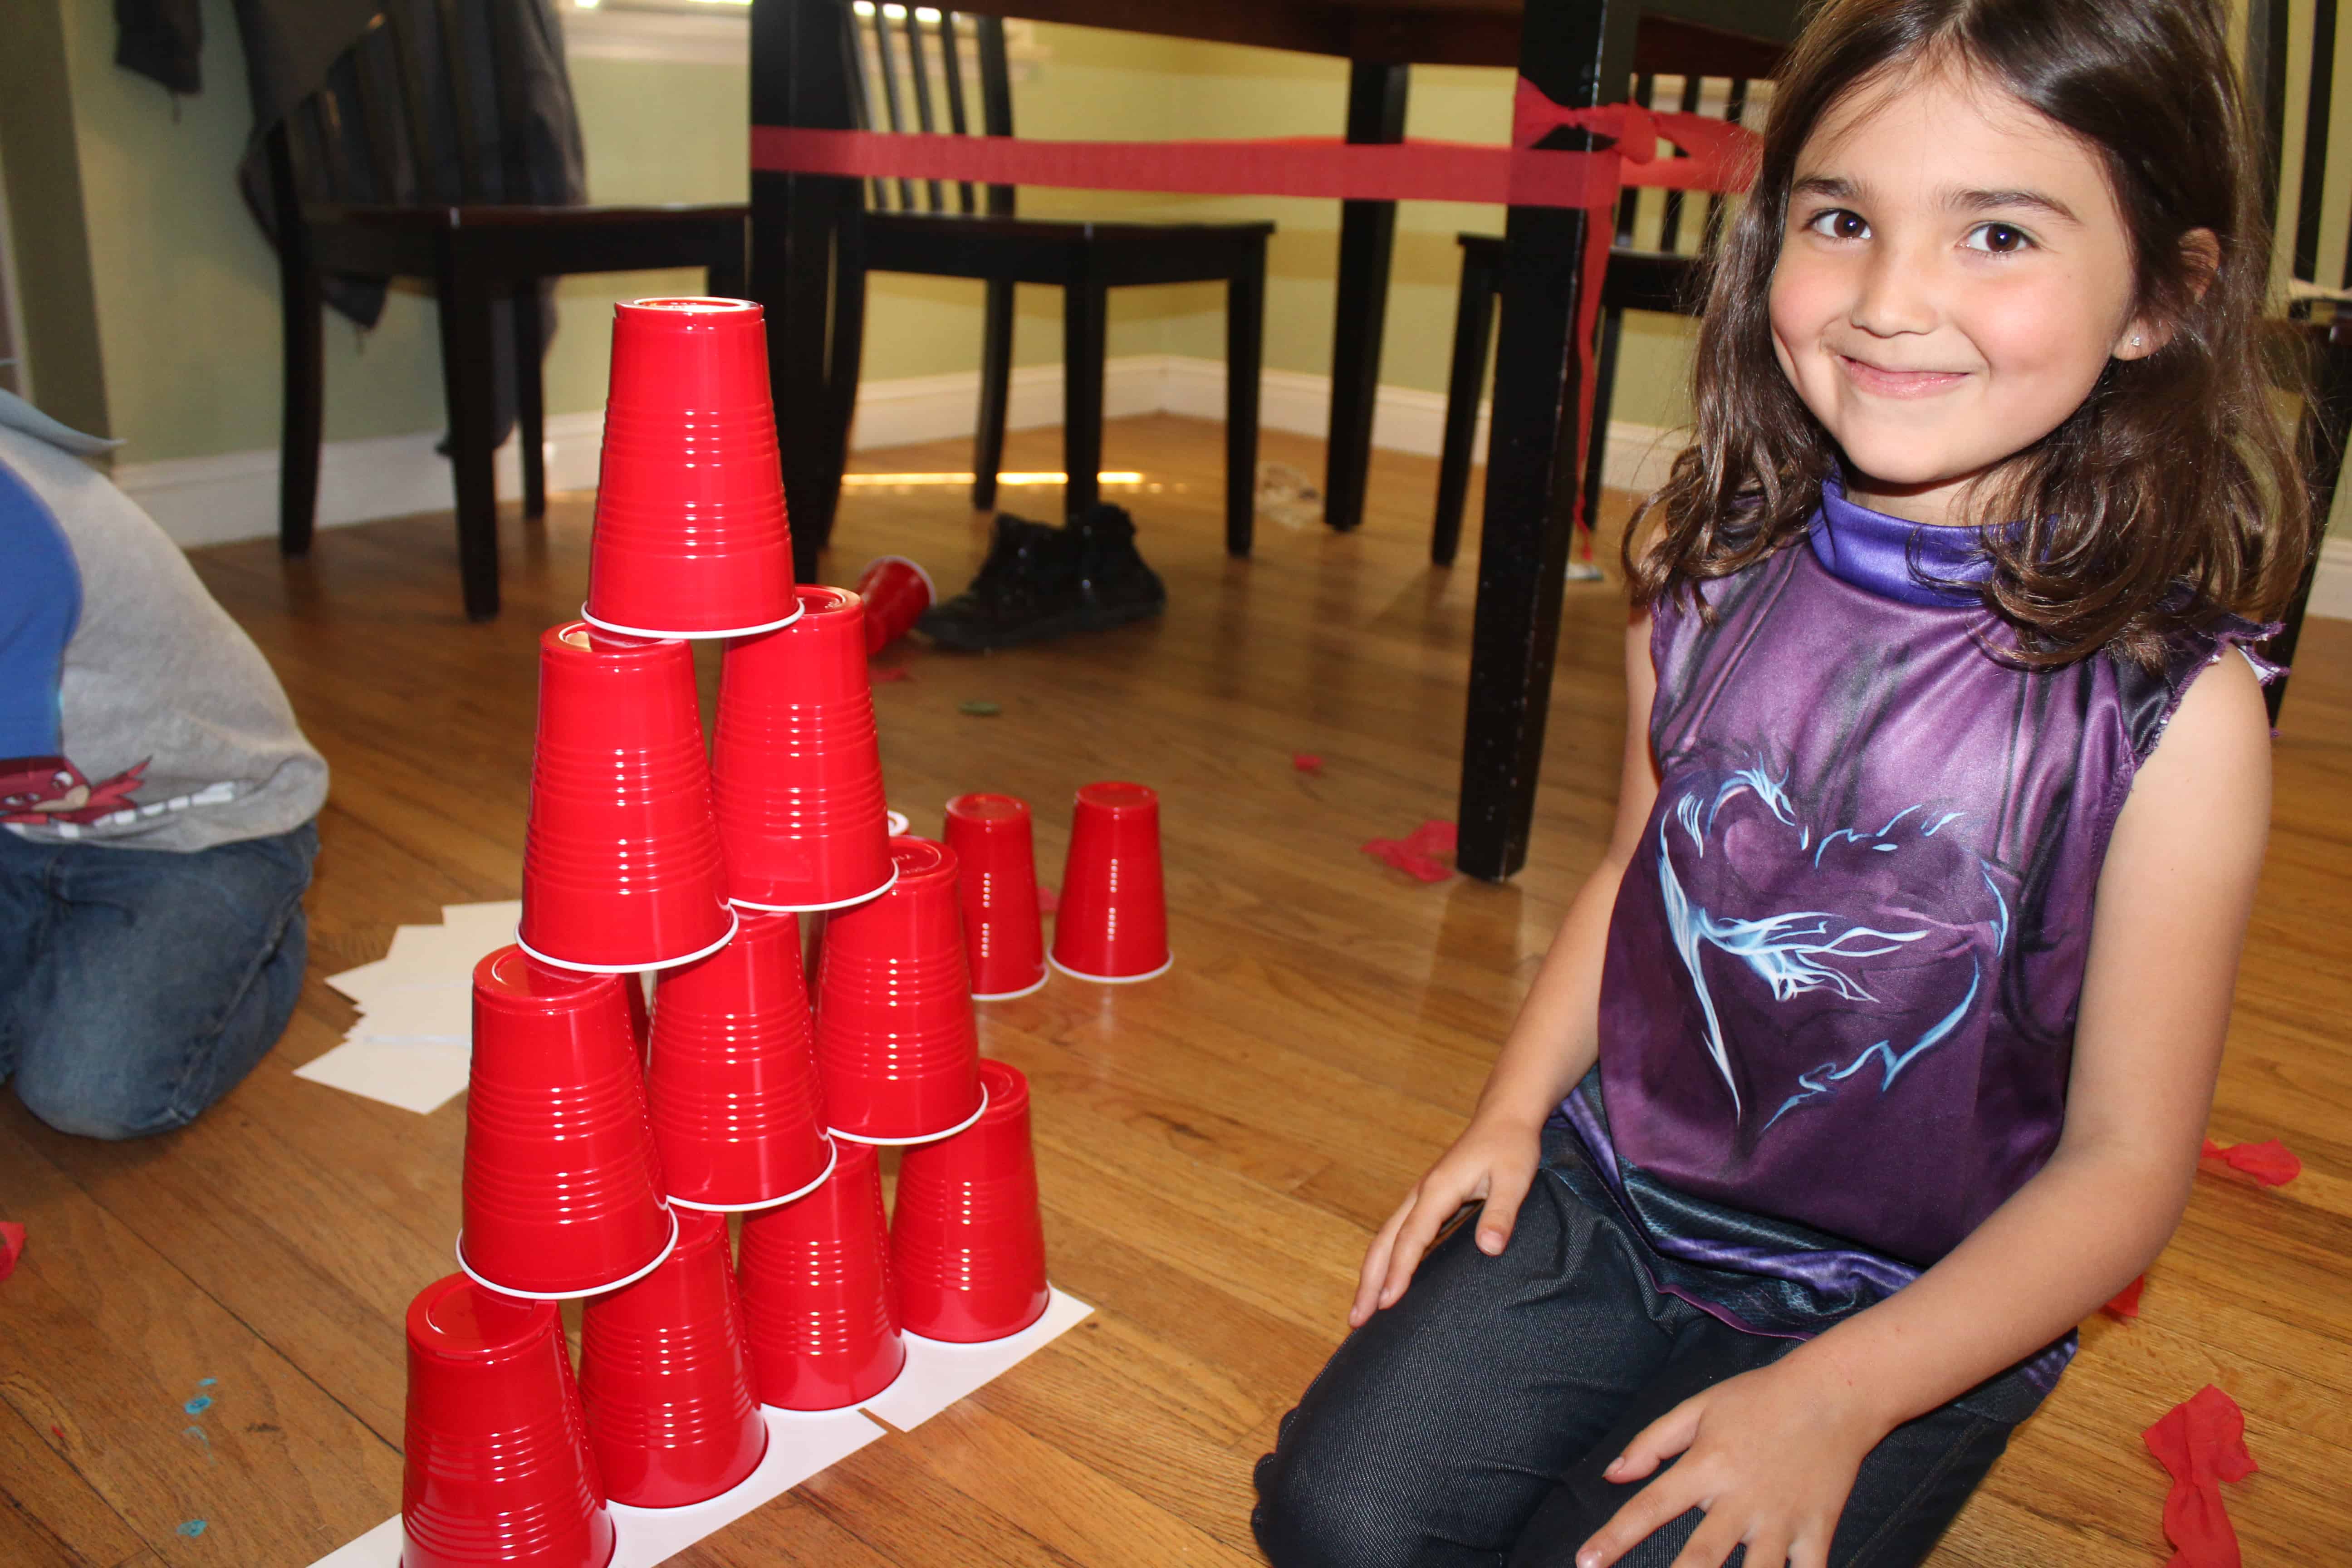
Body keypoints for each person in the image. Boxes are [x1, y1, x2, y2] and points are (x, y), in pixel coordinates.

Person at [1251, 1, 2312, 1564]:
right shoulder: (1693, 570)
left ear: (2162, 294)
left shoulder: (2177, 714)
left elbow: (2124, 1165)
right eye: (1841, 218)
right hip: (1623, 1202)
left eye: (1998, 233)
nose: (1891, 301)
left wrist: (1844, 1391)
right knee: (1340, 1520)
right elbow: (1630, 880)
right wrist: (1505, 1116)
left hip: (1916, 1294)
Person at [0, 389, 328, 1140]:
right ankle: (74, 956)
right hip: (23, 834)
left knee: (91, 1095)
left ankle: (259, 941)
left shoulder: (10, 523)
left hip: (200, 832)